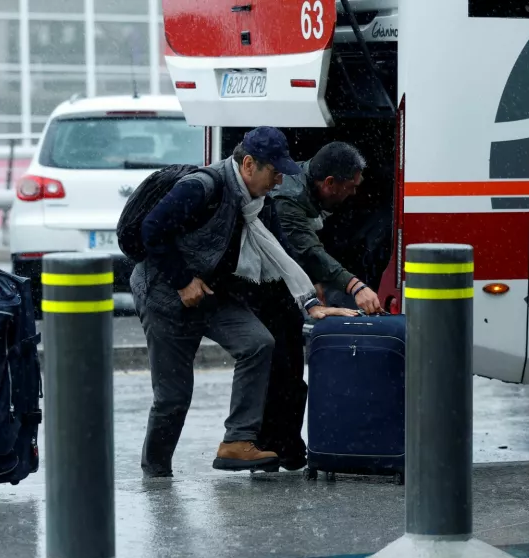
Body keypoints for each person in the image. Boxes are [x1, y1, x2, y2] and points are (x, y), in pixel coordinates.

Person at [130, 126, 358, 478]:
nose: (279, 182)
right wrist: (182, 281)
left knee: (258, 343)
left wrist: (311, 302)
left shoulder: (259, 205)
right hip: (165, 294)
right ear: (249, 164)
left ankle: (237, 441)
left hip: (211, 294)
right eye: (275, 172)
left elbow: (282, 255)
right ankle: (156, 475)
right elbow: (152, 229)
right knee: (173, 398)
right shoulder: (202, 188)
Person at [270, 141, 383, 314]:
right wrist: (356, 287)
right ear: (329, 183)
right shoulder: (288, 201)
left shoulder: (309, 180)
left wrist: (314, 279)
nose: (353, 193)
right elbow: (309, 251)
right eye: (351, 186)